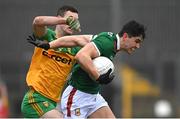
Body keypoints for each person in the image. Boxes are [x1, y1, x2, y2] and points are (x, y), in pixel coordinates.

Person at [27, 20, 146, 118]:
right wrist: (98, 76)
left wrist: (49, 45)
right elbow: (81, 56)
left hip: (93, 96)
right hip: (77, 96)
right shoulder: (106, 43)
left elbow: (76, 40)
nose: (138, 46)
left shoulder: (109, 40)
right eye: (137, 41)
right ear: (125, 36)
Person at [21, 5, 81, 118]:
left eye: (76, 21)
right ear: (59, 18)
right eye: (71, 18)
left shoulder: (76, 48)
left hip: (53, 103)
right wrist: (66, 21)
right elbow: (38, 21)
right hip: (35, 98)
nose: (73, 23)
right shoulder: (46, 36)